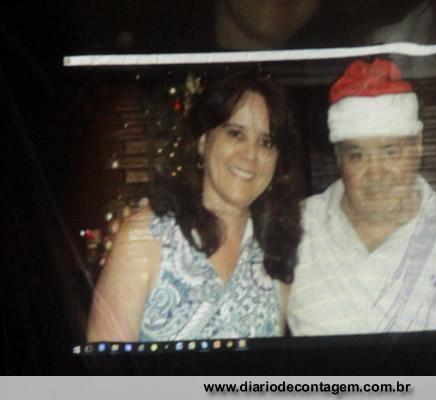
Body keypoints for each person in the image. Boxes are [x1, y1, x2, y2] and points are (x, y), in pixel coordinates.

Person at [287, 58, 436, 335]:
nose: (376, 174)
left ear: (417, 146)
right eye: (358, 155)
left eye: (390, 152)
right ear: (339, 158)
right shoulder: (298, 226)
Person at [87, 74, 305, 342]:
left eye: (266, 142)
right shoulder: (147, 236)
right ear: (203, 141)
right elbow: (105, 361)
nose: (250, 155)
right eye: (235, 133)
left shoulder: (276, 258)